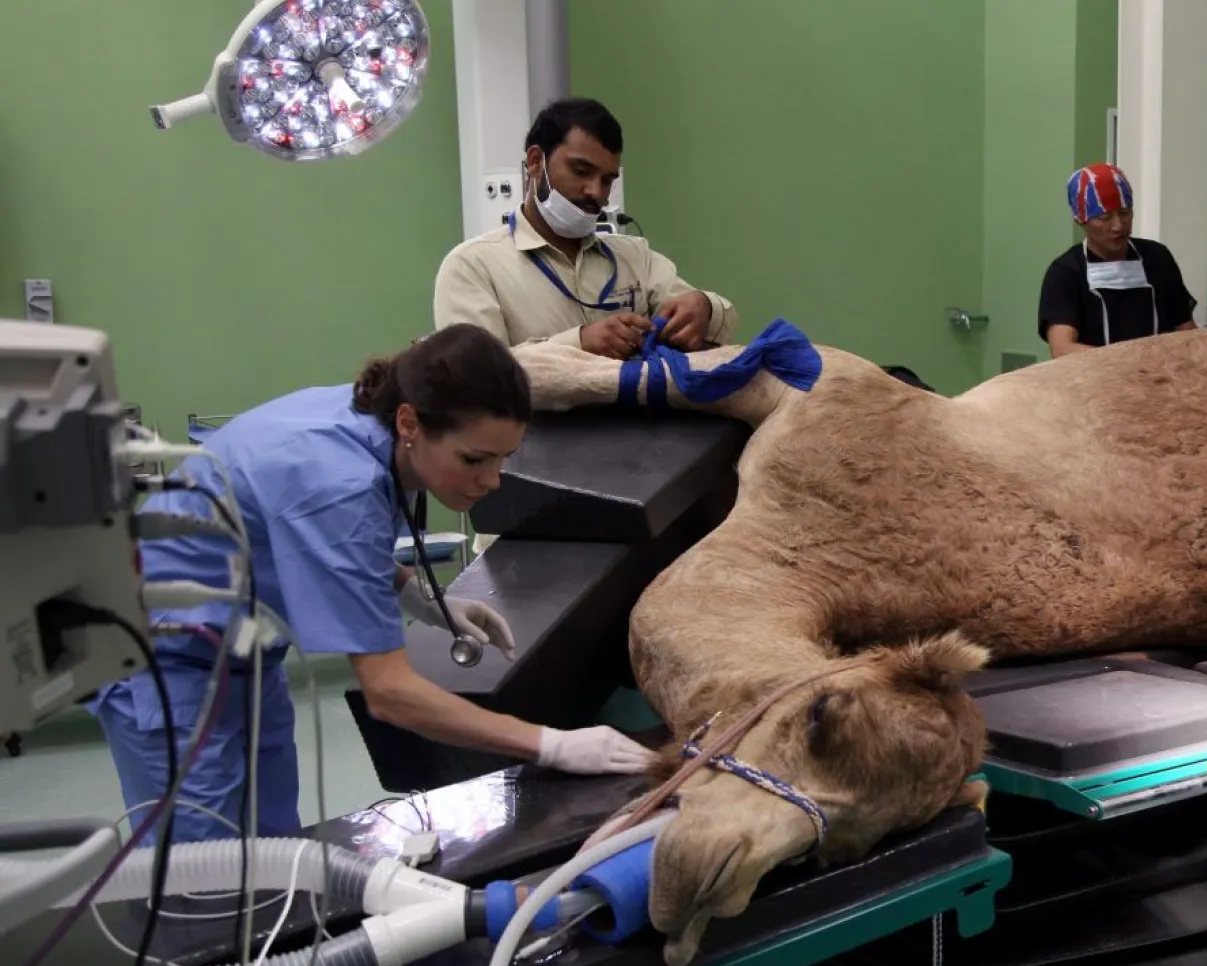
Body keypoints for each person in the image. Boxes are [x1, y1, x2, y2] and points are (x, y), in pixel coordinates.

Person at [94, 324, 654, 844]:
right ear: (411, 424)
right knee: (202, 883)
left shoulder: (373, 422)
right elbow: (390, 695)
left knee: (275, 853)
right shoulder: (336, 478)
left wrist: (418, 594)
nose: (491, 480)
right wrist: (551, 744)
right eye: (474, 459)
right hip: (164, 663)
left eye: (505, 458)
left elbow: (311, 537)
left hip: (245, 655)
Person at [433, 97, 737, 359]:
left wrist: (704, 308)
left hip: (644, 424)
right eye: (581, 171)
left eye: (607, 180)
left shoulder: (634, 258)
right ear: (536, 161)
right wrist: (578, 343)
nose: (596, 192)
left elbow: (720, 318)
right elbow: (474, 379)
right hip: (536, 428)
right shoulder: (472, 267)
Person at [1038, 162, 1198, 357]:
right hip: (1096, 382)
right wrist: (1129, 363)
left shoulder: (1157, 258)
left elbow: (1187, 332)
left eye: (1125, 213)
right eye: (1104, 217)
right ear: (1080, 220)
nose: (1118, 226)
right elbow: (1063, 349)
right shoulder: (1066, 272)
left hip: (1160, 379)